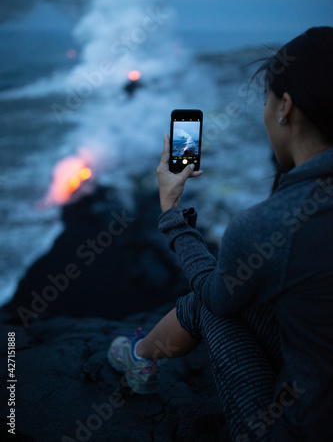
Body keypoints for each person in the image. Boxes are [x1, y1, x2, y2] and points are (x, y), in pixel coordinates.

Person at [107, 26, 333, 441]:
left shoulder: (270, 224)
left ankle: (137, 358)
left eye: (267, 100)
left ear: (285, 106)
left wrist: (171, 209)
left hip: (300, 429)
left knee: (212, 302)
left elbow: (216, 296)